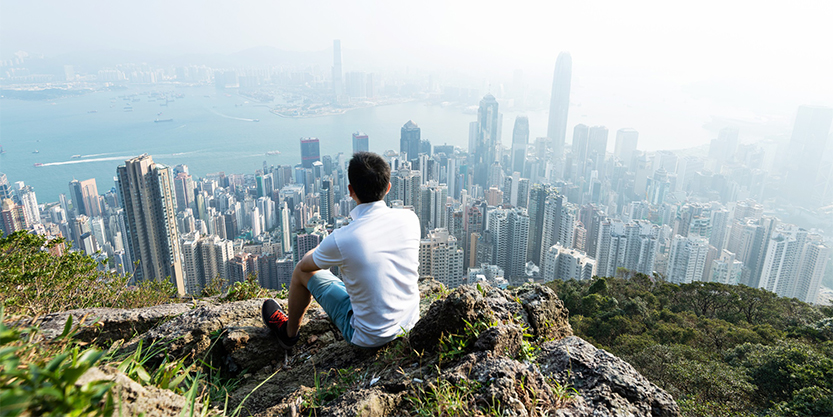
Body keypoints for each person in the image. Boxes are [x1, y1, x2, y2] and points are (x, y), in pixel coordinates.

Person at [262, 152, 421, 348]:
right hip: (410, 324)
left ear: (350, 190)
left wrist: (328, 246)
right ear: (388, 188)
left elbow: (305, 265)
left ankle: (288, 334)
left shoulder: (343, 238)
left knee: (301, 271)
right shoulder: (410, 218)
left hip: (367, 338)